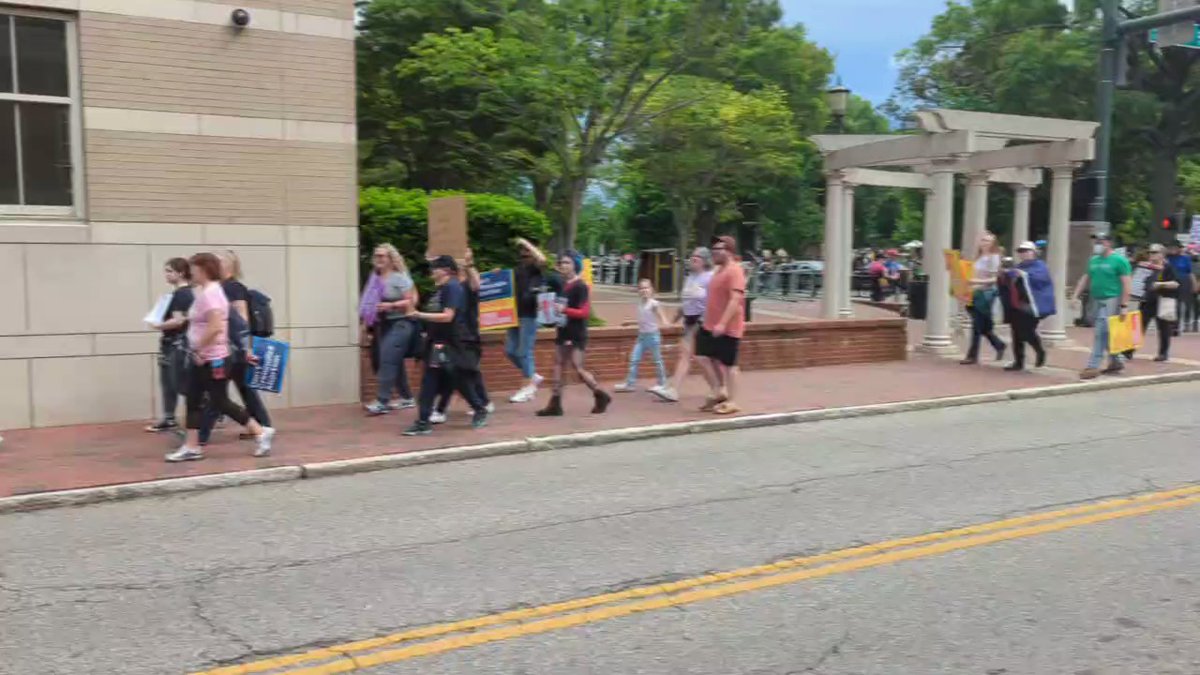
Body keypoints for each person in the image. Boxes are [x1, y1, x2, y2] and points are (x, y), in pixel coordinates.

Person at [166, 253, 274, 462]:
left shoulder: (212, 294)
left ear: (204, 270)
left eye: (194, 269)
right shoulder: (207, 292)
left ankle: (260, 432)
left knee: (220, 401)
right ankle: (192, 446)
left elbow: (216, 327)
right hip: (204, 357)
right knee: (194, 400)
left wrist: (197, 348)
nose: (191, 273)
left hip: (212, 358)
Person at [403, 255, 490, 436]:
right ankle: (423, 421)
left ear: (446, 270)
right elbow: (437, 316)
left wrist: (419, 315)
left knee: (455, 378)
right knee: (430, 380)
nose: (432, 271)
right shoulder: (440, 290)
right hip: (438, 344)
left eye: (435, 268)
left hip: (450, 343)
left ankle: (479, 408)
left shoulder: (452, 287)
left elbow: (448, 316)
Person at [196, 250, 272, 445]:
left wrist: (244, 348)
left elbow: (242, 318)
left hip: (231, 348)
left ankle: (200, 436)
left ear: (227, 266)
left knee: (217, 394)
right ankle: (262, 426)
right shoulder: (221, 288)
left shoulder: (233, 288)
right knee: (240, 390)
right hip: (229, 347)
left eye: (217, 262)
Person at [536, 253, 612, 417]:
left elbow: (584, 312)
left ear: (575, 265)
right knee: (557, 364)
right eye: (561, 262)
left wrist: (564, 310)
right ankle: (555, 403)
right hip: (562, 330)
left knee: (577, 367)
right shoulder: (562, 285)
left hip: (576, 333)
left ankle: (600, 394)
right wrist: (549, 313)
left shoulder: (580, 286)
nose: (563, 265)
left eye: (567, 262)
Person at [431, 248, 494, 424]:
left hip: (466, 338)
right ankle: (441, 409)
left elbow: (477, 284)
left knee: (463, 372)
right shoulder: (443, 288)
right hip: (444, 338)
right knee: (443, 371)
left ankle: (480, 404)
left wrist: (469, 264)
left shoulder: (465, 287)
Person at [360, 244, 419, 416]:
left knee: (387, 357)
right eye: (376, 255)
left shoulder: (399, 278)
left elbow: (412, 301)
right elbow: (368, 305)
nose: (378, 259)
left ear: (391, 259)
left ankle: (382, 401)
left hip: (401, 322)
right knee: (386, 360)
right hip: (382, 324)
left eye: (382, 256)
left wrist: (391, 305)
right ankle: (407, 397)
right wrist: (365, 328)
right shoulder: (374, 278)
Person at [652, 248, 716, 403]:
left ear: (704, 261)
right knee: (691, 356)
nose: (692, 260)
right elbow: (686, 302)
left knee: (695, 357)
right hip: (689, 320)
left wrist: (704, 320)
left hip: (702, 321)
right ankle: (673, 389)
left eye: (696, 258)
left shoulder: (710, 278)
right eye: (691, 257)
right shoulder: (690, 278)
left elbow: (713, 302)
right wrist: (674, 319)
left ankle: (716, 388)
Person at [695, 235, 747, 416]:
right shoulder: (718, 270)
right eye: (714, 250)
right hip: (709, 324)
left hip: (728, 327)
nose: (714, 253)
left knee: (729, 364)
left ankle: (732, 401)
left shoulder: (735, 270)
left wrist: (723, 323)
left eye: (719, 249)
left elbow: (735, 299)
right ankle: (719, 390)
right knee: (702, 356)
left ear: (730, 252)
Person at [1072, 232, 1133, 380]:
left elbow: (1126, 284)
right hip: (1096, 299)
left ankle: (1093, 365)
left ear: (1108, 243)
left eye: (1100, 241)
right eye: (1096, 241)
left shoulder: (1119, 261)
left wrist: (1124, 305)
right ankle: (1116, 361)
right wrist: (1075, 296)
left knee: (1101, 331)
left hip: (1112, 299)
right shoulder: (1093, 260)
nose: (1097, 244)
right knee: (1108, 332)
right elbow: (1086, 277)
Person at [146, 258, 194, 432]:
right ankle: (169, 416)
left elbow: (179, 320)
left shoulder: (182, 294)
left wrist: (159, 325)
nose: (166, 275)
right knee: (169, 381)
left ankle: (206, 411)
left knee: (176, 382)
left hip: (176, 343)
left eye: (169, 271)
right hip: (173, 342)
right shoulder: (180, 294)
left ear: (180, 273)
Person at [507, 238, 549, 403]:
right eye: (522, 253)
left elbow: (543, 260)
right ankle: (532, 376)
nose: (524, 255)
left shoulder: (536, 270)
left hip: (529, 315)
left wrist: (526, 242)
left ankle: (528, 388)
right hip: (513, 314)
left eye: (527, 253)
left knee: (524, 352)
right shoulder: (518, 270)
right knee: (510, 351)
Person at [1002, 242, 1056, 372]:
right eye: (1021, 251)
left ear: (1033, 252)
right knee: (1016, 332)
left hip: (1032, 305)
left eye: (1026, 250)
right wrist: (1005, 273)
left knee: (1026, 330)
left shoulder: (1040, 266)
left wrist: (1023, 275)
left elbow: (1040, 280)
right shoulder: (1019, 266)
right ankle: (1018, 361)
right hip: (1017, 304)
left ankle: (1040, 351)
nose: (1023, 253)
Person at [614, 278, 669, 393]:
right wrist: (630, 322)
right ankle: (630, 384)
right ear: (638, 291)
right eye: (642, 288)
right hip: (642, 337)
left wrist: (665, 321)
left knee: (657, 360)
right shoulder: (640, 304)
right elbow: (642, 320)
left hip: (653, 336)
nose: (644, 290)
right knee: (634, 359)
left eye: (647, 288)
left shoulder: (653, 304)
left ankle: (662, 384)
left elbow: (661, 315)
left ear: (651, 290)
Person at [960, 233, 1007, 365]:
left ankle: (972, 355)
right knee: (983, 326)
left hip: (985, 294)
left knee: (977, 325)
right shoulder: (980, 257)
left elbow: (994, 279)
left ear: (993, 243)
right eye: (983, 240)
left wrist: (974, 281)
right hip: (974, 292)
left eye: (988, 240)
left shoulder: (993, 258)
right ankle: (999, 345)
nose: (984, 242)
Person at [1137, 244, 1180, 362]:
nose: (1151, 254)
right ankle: (1129, 351)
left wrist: (1160, 284)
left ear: (1162, 254)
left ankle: (1163, 353)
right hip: (1147, 300)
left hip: (1162, 300)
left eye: (1154, 252)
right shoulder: (1146, 267)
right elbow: (1138, 282)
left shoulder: (1168, 268)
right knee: (1139, 326)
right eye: (1150, 252)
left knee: (1163, 328)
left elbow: (1176, 283)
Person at [1165, 242, 1195, 333]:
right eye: (1171, 247)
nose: (1173, 249)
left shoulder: (1185, 258)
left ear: (1179, 248)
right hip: (1171, 282)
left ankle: (1183, 324)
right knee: (1173, 304)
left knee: (1184, 303)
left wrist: (1194, 284)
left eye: (1175, 247)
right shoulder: (1167, 258)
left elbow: (1190, 272)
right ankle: (1174, 324)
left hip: (1185, 282)